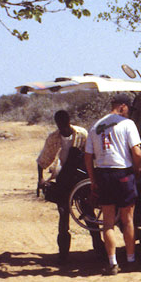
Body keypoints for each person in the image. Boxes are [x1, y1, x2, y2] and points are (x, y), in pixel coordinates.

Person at [84, 92, 141, 275]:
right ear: (123, 106)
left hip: (103, 174)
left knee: (108, 222)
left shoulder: (95, 126)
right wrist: (137, 170)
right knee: (128, 220)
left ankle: (112, 262)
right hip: (123, 173)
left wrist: (93, 180)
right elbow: (137, 153)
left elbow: (88, 157)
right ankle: (131, 260)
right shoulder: (127, 124)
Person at [37, 110, 88, 262]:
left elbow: (91, 155)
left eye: (65, 123)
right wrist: (40, 179)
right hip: (63, 177)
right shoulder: (53, 138)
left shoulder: (81, 134)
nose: (63, 127)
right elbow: (43, 160)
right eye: (60, 124)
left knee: (88, 211)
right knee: (63, 213)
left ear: (69, 121)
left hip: (81, 177)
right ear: (57, 124)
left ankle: (99, 248)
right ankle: (63, 253)